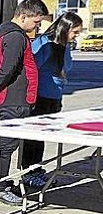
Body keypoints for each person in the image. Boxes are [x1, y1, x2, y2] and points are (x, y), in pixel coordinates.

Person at [0, 0, 48, 205]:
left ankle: (1, 181)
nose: (37, 27)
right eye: (36, 22)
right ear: (24, 16)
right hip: (13, 99)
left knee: (8, 143)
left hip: (16, 98)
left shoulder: (14, 34)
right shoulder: (15, 37)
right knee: (6, 145)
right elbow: (8, 68)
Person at [20, 12, 84, 189]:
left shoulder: (62, 45)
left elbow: (67, 67)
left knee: (42, 137)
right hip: (41, 97)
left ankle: (36, 168)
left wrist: (66, 48)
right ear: (66, 28)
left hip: (54, 96)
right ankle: (27, 172)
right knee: (33, 137)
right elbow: (32, 68)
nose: (76, 36)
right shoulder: (46, 44)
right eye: (75, 32)